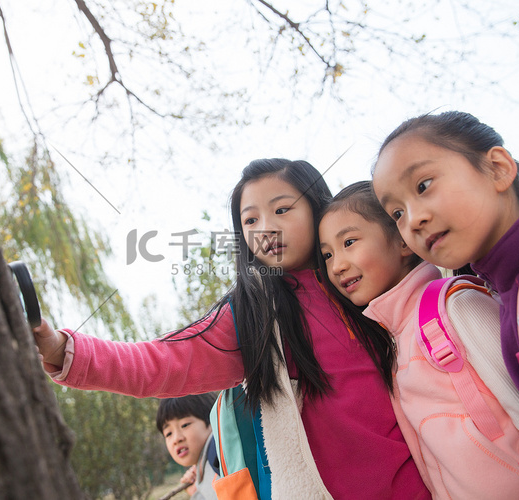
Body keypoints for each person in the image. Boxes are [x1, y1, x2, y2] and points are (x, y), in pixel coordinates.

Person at [32, 158, 430, 499]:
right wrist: (65, 351)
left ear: (316, 207)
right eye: (250, 219)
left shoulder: (366, 281)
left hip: (425, 483)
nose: (265, 228)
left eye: (282, 209)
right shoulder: (254, 317)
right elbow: (164, 361)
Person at [318, 180, 519, 498]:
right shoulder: (394, 342)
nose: (338, 265)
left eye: (349, 242)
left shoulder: (456, 305)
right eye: (327, 255)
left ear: (402, 240)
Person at [371, 110, 519, 498]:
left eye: (424, 184)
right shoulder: (513, 292)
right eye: (396, 212)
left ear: (498, 168)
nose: (413, 219)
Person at [157, 393, 220, 499]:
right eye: (168, 433)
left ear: (211, 418)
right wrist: (197, 491)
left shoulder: (217, 457)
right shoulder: (207, 465)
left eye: (185, 425)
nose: (177, 439)